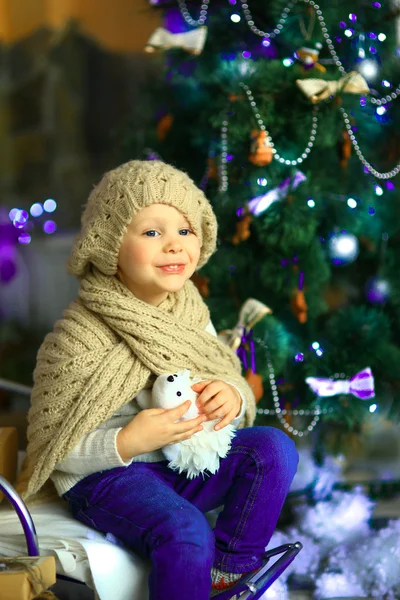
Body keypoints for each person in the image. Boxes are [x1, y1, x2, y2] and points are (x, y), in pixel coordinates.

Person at [20, 161, 299, 599]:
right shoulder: (78, 336)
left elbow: (225, 371)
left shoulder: (190, 312)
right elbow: (55, 447)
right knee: (186, 531)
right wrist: (128, 440)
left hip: (182, 464)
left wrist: (232, 395)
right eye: (152, 233)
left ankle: (227, 573)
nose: (173, 245)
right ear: (111, 245)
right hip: (110, 477)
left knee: (273, 449)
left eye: (185, 231)